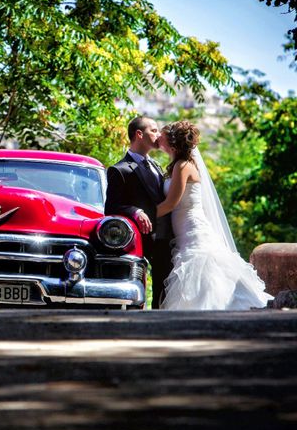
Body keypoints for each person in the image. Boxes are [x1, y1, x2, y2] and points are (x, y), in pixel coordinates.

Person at [155, 121, 273, 310]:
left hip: (192, 228)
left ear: (172, 142)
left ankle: (213, 308)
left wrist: (144, 215)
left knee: (205, 268)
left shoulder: (182, 166)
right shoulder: (178, 165)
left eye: (160, 135)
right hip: (184, 230)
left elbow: (171, 203)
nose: (157, 138)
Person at [105, 116, 174, 309]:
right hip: (141, 239)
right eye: (154, 130)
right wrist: (134, 211)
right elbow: (110, 208)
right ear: (139, 134)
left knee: (165, 287)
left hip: (166, 237)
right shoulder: (119, 170)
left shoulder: (157, 166)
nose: (158, 134)